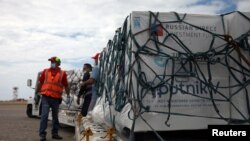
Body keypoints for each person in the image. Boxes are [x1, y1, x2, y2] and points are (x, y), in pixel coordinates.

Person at [35, 56, 70, 141]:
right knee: (44, 116)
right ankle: (42, 135)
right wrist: (37, 92)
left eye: (53, 62)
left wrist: (68, 96)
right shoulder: (45, 71)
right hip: (46, 97)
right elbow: (40, 82)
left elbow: (66, 85)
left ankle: (55, 134)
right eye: (51, 62)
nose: (52, 63)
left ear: (58, 63)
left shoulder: (62, 74)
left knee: (55, 117)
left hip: (56, 99)